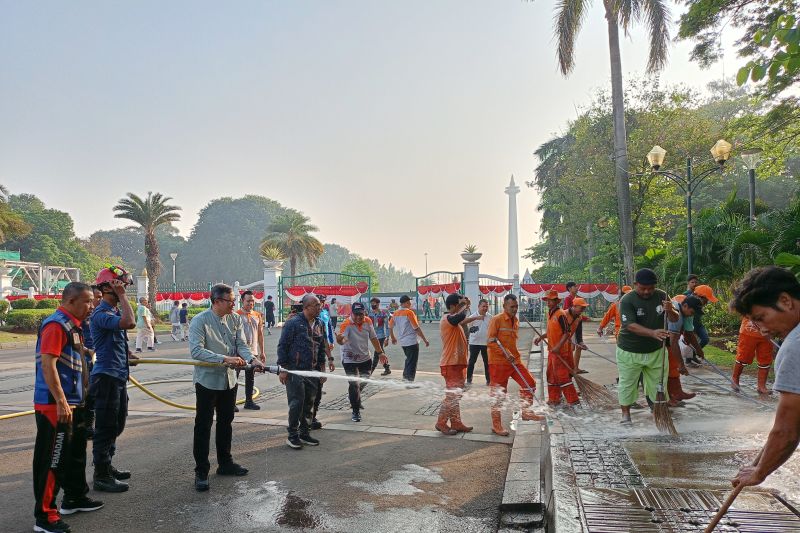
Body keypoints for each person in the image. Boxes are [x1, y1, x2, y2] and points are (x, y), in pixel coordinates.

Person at [33, 282, 103, 533]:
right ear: (70, 301)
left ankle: (74, 498)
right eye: (87, 301)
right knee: (52, 460)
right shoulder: (55, 325)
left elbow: (74, 350)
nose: (92, 306)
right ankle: (45, 516)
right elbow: (48, 365)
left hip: (74, 402)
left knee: (73, 455)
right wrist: (61, 401)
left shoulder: (73, 325)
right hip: (55, 405)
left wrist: (89, 351)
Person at [729, 267, 800, 491]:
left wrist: (759, 472)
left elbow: (788, 430)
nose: (762, 331)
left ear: (786, 301)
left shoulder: (795, 347)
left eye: (761, 318)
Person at [190, 284, 264, 491]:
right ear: (216, 301)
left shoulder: (235, 319)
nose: (234, 304)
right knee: (203, 426)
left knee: (226, 422)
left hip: (229, 380)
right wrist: (224, 359)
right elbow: (196, 351)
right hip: (207, 381)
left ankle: (225, 463)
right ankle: (201, 471)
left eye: (234, 300)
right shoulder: (200, 321)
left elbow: (241, 344)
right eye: (230, 301)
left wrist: (252, 359)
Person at [90, 266, 136, 493]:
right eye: (121, 284)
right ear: (108, 286)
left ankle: (108, 464)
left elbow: (117, 338)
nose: (125, 288)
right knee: (106, 428)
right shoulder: (101, 313)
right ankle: (101, 474)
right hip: (106, 377)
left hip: (118, 375)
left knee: (117, 423)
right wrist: (123, 297)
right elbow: (130, 323)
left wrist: (128, 355)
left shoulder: (114, 312)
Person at [616, 268, 679, 424]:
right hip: (629, 350)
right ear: (635, 284)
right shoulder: (627, 300)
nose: (647, 292)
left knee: (658, 383)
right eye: (643, 288)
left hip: (656, 350)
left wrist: (670, 310)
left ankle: (657, 411)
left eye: (650, 288)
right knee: (628, 383)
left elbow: (674, 318)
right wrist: (652, 333)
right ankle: (626, 414)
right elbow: (629, 325)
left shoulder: (662, 295)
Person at [488, 294, 543, 436]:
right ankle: (496, 425)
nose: (514, 309)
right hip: (498, 363)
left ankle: (526, 412)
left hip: (514, 361)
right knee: (499, 395)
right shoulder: (496, 320)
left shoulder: (516, 321)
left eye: (516, 306)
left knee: (529, 382)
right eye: (512, 306)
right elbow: (491, 341)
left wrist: (512, 354)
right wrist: (505, 353)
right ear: (504, 306)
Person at [277, 295, 327, 448]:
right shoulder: (293, 323)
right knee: (296, 403)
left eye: (319, 305)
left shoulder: (319, 323)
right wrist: (283, 369)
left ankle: (305, 433)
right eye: (316, 305)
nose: (319, 307)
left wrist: (322, 367)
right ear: (306, 307)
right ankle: (292, 435)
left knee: (309, 403)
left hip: (312, 371)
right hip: (294, 370)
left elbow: (321, 347)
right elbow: (282, 346)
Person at [436, 294, 483, 435]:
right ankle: (441, 422)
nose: (460, 308)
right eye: (458, 305)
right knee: (452, 396)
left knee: (456, 395)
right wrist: (466, 306)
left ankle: (456, 422)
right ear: (452, 306)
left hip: (457, 364)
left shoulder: (454, 320)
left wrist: (468, 309)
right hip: (451, 364)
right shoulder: (447, 319)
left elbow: (462, 319)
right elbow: (459, 318)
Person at [336, 302, 388, 422]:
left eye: (361, 314)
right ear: (351, 314)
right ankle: (355, 410)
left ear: (364, 313)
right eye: (356, 314)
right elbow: (341, 339)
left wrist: (380, 353)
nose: (359, 317)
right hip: (350, 359)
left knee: (363, 381)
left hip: (365, 358)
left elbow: (373, 338)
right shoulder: (346, 324)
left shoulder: (368, 321)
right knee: (354, 384)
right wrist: (341, 340)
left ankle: (355, 398)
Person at [535, 290, 580, 408]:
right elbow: (551, 332)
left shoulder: (560, 314)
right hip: (552, 351)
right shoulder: (549, 313)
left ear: (556, 301)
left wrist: (557, 347)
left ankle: (573, 401)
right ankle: (554, 399)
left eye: (551, 300)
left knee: (562, 377)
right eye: (547, 300)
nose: (548, 302)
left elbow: (566, 333)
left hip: (560, 351)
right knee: (551, 375)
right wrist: (541, 337)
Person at [665, 295, 704, 406]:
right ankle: (667, 397)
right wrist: (681, 364)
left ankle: (677, 392)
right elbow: (673, 341)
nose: (692, 315)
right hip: (659, 340)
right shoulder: (676, 313)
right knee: (664, 369)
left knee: (672, 367)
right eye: (692, 312)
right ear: (685, 306)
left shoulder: (685, 312)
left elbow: (689, 333)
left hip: (667, 341)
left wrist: (699, 349)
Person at [236, 290, 265, 410]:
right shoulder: (236, 315)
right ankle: (231, 402)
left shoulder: (257, 315)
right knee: (234, 377)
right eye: (248, 301)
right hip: (239, 352)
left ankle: (249, 401)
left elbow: (260, 334)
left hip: (253, 352)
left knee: (250, 377)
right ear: (242, 301)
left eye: (252, 301)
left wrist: (262, 351)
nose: (250, 303)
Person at [389, 295, 430, 381]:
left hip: (403, 342)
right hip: (411, 341)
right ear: (405, 303)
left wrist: (393, 337)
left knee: (408, 359)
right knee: (412, 362)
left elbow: (390, 327)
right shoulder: (409, 312)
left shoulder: (395, 313)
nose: (410, 303)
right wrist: (425, 340)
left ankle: (405, 378)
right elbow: (416, 328)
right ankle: (409, 381)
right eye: (409, 302)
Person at [81, 285, 103, 441]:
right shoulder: (81, 317)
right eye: (97, 297)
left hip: (98, 360)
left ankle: (90, 426)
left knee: (95, 395)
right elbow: (74, 340)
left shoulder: (99, 315)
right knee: (87, 396)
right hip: (85, 360)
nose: (99, 300)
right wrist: (88, 350)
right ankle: (86, 427)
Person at [733, 317, 775, 394]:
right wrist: (759, 324)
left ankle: (761, 386)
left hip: (768, 332)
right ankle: (735, 380)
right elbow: (745, 309)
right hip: (749, 331)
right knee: (743, 356)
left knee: (765, 359)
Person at [467, 299, 492, 386]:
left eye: (486, 306)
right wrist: (474, 329)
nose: (485, 308)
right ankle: (469, 379)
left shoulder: (490, 317)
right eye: (483, 306)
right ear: (479, 307)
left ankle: (489, 380)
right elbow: (469, 329)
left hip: (486, 343)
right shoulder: (472, 317)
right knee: (471, 362)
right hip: (474, 343)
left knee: (487, 362)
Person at [564, 297, 590, 374]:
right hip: (560, 340)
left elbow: (579, 334)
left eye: (584, 308)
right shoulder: (563, 314)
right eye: (581, 308)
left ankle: (574, 369)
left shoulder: (579, 317)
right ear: (574, 306)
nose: (583, 310)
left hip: (568, 338)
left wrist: (581, 343)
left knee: (571, 353)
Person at [368, 297, 391, 376]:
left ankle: (370, 371)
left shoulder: (383, 314)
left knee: (377, 353)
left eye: (373, 304)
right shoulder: (369, 313)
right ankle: (387, 368)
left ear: (378, 304)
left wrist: (387, 338)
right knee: (381, 352)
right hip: (373, 336)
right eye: (371, 304)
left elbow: (387, 326)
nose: (372, 305)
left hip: (381, 336)